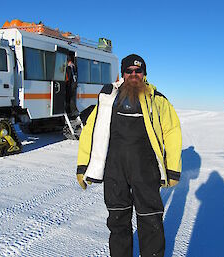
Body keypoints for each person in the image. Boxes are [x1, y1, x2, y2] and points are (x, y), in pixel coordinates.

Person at [76, 54, 182, 257]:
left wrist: (173, 169)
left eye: (138, 71)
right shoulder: (107, 98)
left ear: (144, 74)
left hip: (146, 170)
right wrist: (83, 166)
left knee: (151, 220)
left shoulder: (157, 99)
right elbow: (91, 130)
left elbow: (172, 132)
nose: (134, 75)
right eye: (129, 71)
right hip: (115, 170)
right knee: (117, 222)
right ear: (122, 74)